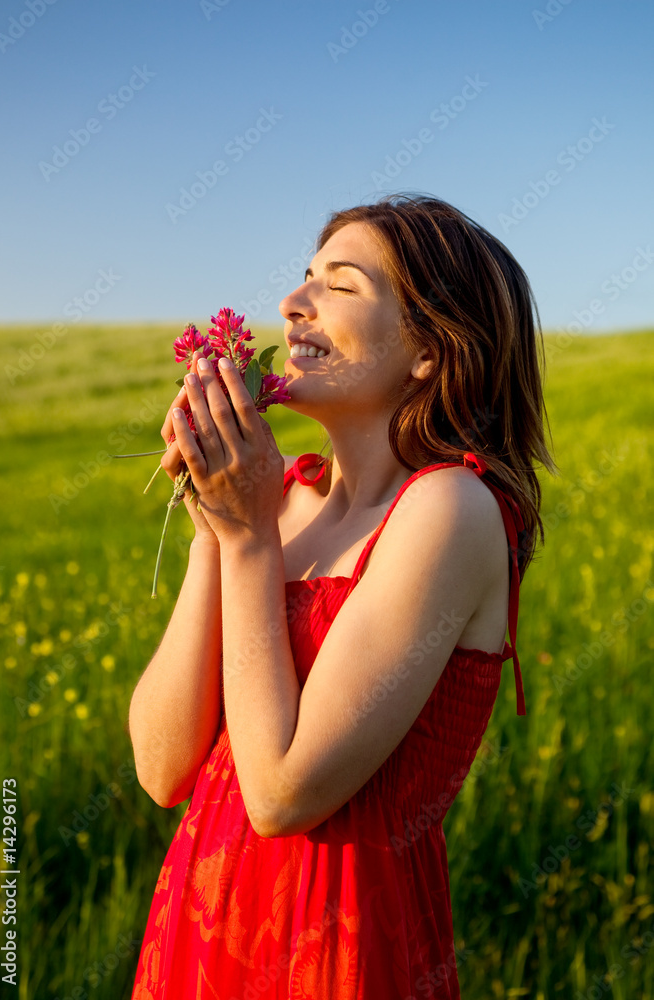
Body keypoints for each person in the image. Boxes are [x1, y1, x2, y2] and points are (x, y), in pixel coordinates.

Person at [128, 193, 556, 999]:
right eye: (303, 278)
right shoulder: (283, 502)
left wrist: (250, 540)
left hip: (334, 942)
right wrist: (212, 527)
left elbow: (284, 794)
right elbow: (160, 768)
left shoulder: (448, 511)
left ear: (427, 349)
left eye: (342, 284)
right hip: (202, 918)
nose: (293, 304)